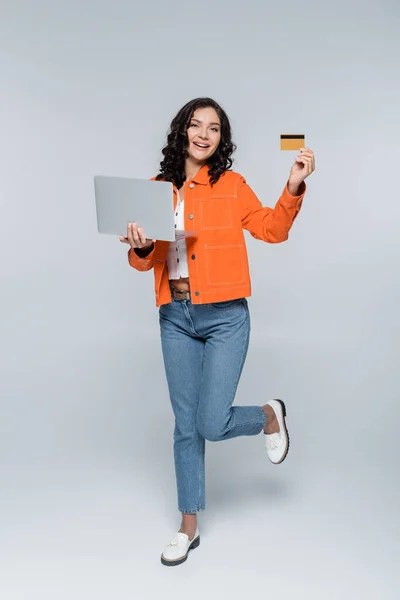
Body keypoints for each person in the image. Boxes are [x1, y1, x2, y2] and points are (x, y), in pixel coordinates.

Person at [120, 97, 315, 566]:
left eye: (213, 128)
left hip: (226, 315)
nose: (203, 134)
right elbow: (139, 260)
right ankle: (188, 527)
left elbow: (271, 229)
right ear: (182, 131)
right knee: (186, 425)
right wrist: (141, 246)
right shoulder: (155, 189)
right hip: (176, 316)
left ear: (222, 138)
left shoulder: (231, 185)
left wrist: (292, 187)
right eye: (195, 125)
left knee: (211, 420)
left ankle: (269, 415)